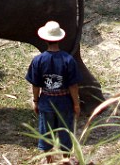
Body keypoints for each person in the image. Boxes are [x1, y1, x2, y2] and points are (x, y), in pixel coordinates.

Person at [26, 20, 81, 161]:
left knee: (46, 134)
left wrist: (36, 101)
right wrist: (76, 104)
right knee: (65, 133)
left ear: (44, 39)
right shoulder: (68, 60)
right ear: (60, 38)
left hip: (46, 102)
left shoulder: (38, 60)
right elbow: (73, 86)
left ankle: (49, 161)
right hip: (65, 103)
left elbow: (36, 85)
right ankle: (65, 160)